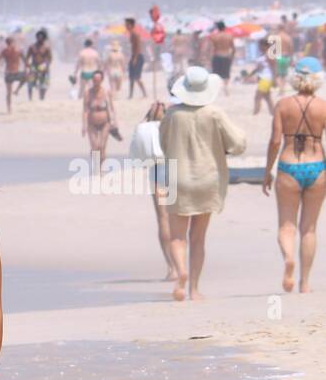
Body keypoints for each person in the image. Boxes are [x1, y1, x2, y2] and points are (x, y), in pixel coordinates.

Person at [160, 66, 248, 301]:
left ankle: (181, 273)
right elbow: (238, 144)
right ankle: (195, 289)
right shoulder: (214, 113)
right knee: (198, 238)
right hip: (208, 179)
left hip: (179, 179)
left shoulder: (172, 115)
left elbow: (163, 144)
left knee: (178, 237)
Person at [262, 57, 325, 293]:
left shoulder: (282, 105)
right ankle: (305, 283)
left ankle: (289, 258)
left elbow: (275, 140)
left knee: (287, 226)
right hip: (317, 165)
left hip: (289, 166)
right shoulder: (323, 106)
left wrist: (267, 170)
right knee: (309, 228)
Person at [129, 101, 177, 281]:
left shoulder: (143, 128)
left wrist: (151, 112)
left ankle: (172, 267)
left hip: (157, 170)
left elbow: (136, 154)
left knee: (163, 219)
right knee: (176, 218)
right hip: (175, 167)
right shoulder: (172, 122)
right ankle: (179, 263)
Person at [82, 71, 116, 167]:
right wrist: (84, 125)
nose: (96, 82)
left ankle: (100, 168)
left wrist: (114, 122)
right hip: (91, 123)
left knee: (102, 146)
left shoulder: (106, 92)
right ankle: (96, 167)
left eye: (98, 80)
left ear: (101, 80)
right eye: (94, 80)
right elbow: (85, 110)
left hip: (105, 123)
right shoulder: (88, 93)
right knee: (95, 146)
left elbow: (112, 108)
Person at [0, 37, 25, 114]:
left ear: (6, 43)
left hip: (8, 73)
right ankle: (17, 90)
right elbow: (25, 61)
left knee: (8, 93)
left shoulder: (5, 51)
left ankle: (9, 109)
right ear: (13, 42)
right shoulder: (18, 50)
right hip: (15, 73)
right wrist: (28, 68)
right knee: (26, 77)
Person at [24, 29, 52, 101]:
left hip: (43, 66)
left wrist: (46, 66)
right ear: (36, 37)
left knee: (44, 84)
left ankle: (41, 98)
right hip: (34, 66)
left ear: (44, 38)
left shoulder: (46, 47)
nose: (40, 39)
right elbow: (27, 57)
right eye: (38, 37)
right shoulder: (32, 47)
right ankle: (30, 98)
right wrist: (27, 64)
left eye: (41, 37)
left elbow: (50, 58)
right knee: (30, 83)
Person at [208, 22, 234, 93]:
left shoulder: (214, 36)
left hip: (217, 56)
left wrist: (209, 58)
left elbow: (211, 48)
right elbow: (233, 48)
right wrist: (232, 57)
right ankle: (225, 87)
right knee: (226, 73)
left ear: (217, 28)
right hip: (226, 56)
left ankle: (216, 88)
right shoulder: (229, 36)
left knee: (216, 73)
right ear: (224, 27)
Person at [126, 18, 148, 99]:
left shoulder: (135, 34)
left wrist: (135, 58)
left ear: (131, 25)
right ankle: (131, 94)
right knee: (131, 77)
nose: (126, 26)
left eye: (127, 24)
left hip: (137, 56)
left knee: (137, 77)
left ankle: (144, 93)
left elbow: (137, 47)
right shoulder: (132, 34)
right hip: (134, 56)